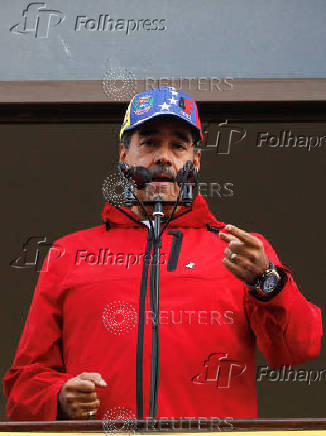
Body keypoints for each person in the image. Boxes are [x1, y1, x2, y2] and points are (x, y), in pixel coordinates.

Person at [3, 86, 322, 422]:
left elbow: (298, 350)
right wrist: (59, 396)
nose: (163, 157)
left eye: (178, 145)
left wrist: (267, 281)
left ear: (195, 160)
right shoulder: (68, 252)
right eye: (150, 143)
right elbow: (24, 383)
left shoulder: (239, 249)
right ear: (124, 154)